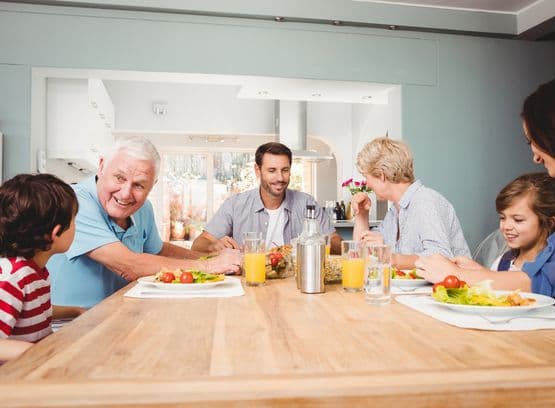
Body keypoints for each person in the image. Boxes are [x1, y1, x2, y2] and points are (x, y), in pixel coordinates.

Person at [416, 77, 555, 316]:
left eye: (533, 141)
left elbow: (551, 284)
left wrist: (457, 276)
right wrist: (483, 275)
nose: (535, 156)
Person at [48, 136, 241, 308]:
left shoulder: (143, 208)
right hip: (71, 324)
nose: (125, 194)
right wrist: (209, 266)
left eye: (139, 185)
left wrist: (208, 258)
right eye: (119, 178)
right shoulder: (75, 203)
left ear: (152, 185)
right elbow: (128, 265)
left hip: (120, 314)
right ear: (101, 165)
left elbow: (157, 250)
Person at [192, 142, 341, 254]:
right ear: (257, 170)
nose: (280, 178)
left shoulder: (307, 203)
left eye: (285, 170)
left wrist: (317, 243)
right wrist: (214, 246)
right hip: (249, 282)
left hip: (295, 283)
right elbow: (199, 244)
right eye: (272, 171)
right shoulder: (235, 205)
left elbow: (335, 241)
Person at [351, 137, 471, 269]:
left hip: (452, 288)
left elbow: (443, 257)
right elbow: (362, 253)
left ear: (381, 175)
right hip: (415, 289)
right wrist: (361, 214)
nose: (367, 185)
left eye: (367, 178)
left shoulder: (424, 201)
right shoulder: (394, 211)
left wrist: (393, 258)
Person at [0, 174, 82, 362]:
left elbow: (35, 310)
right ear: (55, 233)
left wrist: (75, 311)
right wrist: (37, 351)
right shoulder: (12, 278)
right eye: (73, 220)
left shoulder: (35, 271)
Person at [491, 173, 555, 271]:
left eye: (518, 220)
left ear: (549, 222)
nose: (506, 227)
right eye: (502, 218)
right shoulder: (501, 263)